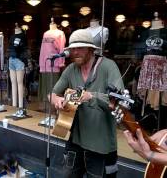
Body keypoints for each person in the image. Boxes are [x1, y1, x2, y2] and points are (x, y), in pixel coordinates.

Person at [50, 29, 124, 177]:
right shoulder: (71, 69)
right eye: (73, 49)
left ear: (91, 49)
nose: (75, 52)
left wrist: (92, 96)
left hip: (100, 146)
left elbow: (119, 102)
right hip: (75, 141)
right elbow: (52, 94)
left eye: (80, 48)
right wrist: (57, 100)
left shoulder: (108, 66)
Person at [7, 23, 28, 116]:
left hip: (19, 60)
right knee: (13, 83)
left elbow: (23, 49)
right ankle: (14, 105)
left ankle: (20, 106)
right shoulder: (12, 36)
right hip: (11, 59)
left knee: (19, 83)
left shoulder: (23, 36)